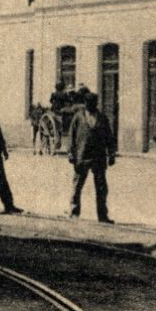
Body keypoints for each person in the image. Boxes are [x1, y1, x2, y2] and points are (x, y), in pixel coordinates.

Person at [67, 88, 116, 223]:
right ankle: (74, 211)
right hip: (82, 156)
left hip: (98, 157)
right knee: (77, 185)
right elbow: (71, 136)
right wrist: (71, 153)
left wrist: (111, 154)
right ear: (85, 103)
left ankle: (102, 215)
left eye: (94, 102)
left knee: (101, 187)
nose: (92, 105)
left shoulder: (102, 118)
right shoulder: (78, 117)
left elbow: (109, 137)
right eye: (89, 103)